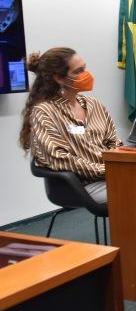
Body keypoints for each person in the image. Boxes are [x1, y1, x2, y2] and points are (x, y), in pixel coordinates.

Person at [19, 47, 120, 203]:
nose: (86, 75)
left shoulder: (94, 105)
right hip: (80, 185)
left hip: (110, 176)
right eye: (78, 71)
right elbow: (60, 159)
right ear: (59, 78)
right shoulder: (44, 112)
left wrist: (124, 166)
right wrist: (107, 170)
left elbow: (114, 144)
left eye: (84, 68)